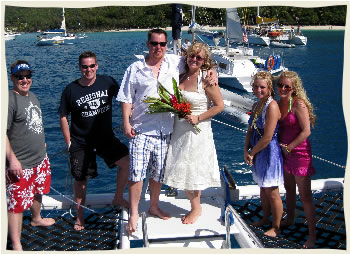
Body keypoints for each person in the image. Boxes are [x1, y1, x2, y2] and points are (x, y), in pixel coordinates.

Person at [117, 28, 217, 234]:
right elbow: (126, 97)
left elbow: (197, 62)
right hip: (141, 130)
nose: (158, 48)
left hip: (166, 131)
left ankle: (154, 206)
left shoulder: (174, 62)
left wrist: (213, 71)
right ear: (148, 44)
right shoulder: (135, 69)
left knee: (157, 174)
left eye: (162, 44)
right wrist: (126, 122)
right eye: (154, 44)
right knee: (136, 174)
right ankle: (135, 212)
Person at [58, 51, 129, 231]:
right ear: (79, 67)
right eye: (84, 66)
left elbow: (125, 99)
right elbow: (63, 116)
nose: (88, 70)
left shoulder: (108, 82)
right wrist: (69, 143)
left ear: (97, 66)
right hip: (81, 142)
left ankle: (118, 197)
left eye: (91, 66)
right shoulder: (70, 90)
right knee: (81, 180)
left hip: (105, 138)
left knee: (127, 163)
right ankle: (80, 216)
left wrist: (129, 120)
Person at [162, 42, 224, 224]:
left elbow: (219, 106)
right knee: (182, 168)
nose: (194, 59)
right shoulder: (180, 75)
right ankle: (194, 206)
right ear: (186, 56)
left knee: (192, 170)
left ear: (205, 61)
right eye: (192, 56)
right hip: (179, 130)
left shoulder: (206, 79)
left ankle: (196, 209)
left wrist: (199, 117)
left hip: (198, 132)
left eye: (199, 57)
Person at [6, 60, 55, 250]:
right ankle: (17, 244)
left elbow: (34, 123)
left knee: (38, 191)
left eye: (27, 76)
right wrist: (12, 159)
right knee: (16, 205)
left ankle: (36, 218)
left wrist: (41, 142)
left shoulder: (33, 96)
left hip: (39, 158)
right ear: (12, 78)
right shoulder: (10, 100)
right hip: (21, 163)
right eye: (20, 77)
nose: (25, 80)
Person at [277, 71, 316, 248]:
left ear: (294, 89)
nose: (283, 89)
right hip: (285, 153)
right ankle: (291, 219)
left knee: (305, 195)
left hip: (299, 155)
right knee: (289, 189)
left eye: (287, 86)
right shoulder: (280, 103)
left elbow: (306, 131)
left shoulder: (298, 104)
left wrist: (290, 147)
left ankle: (312, 235)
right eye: (280, 85)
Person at [243, 71, 284, 237]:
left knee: (272, 191)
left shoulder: (271, 106)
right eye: (256, 86)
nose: (258, 90)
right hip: (257, 150)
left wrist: (252, 152)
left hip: (268, 152)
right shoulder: (256, 105)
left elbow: (267, 137)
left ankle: (277, 226)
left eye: (262, 87)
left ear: (269, 88)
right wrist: (246, 149)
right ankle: (265, 218)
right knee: (263, 187)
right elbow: (250, 130)